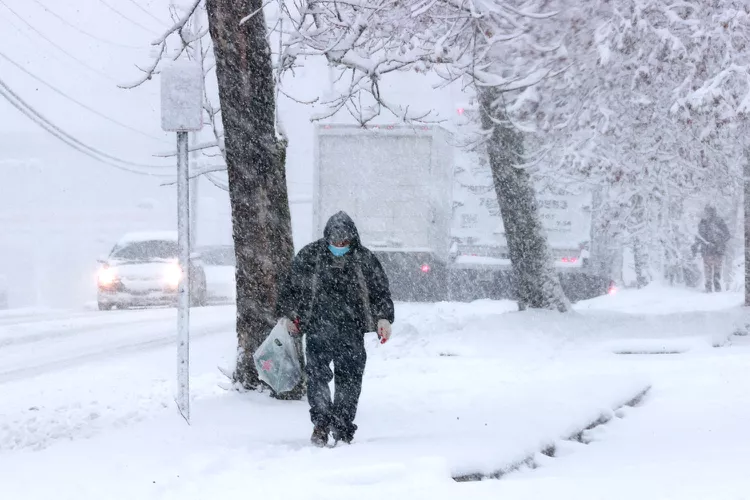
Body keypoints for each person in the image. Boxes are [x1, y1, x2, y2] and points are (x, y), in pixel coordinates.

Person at [276, 211, 394, 446]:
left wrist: (384, 318)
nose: (339, 246)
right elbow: (290, 290)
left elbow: (380, 292)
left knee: (349, 381)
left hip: (351, 331)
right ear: (326, 238)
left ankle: (342, 427)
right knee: (317, 378)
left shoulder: (364, 259)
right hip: (318, 329)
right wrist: (290, 315)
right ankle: (320, 424)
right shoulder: (310, 256)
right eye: (335, 242)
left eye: (344, 242)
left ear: (353, 239)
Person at [692, 205, 730, 293]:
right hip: (715, 250)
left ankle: (710, 286)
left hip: (709, 250)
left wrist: (697, 246)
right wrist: (720, 243)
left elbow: (698, 236)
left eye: (708, 211)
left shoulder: (705, 222)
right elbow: (727, 235)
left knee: (709, 269)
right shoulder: (719, 221)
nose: (707, 213)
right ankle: (715, 286)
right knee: (715, 269)